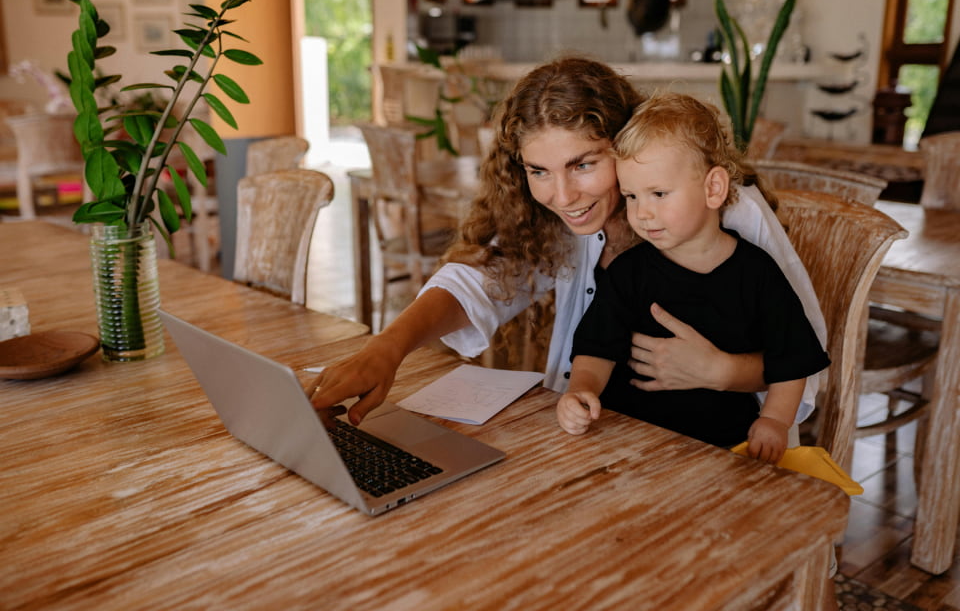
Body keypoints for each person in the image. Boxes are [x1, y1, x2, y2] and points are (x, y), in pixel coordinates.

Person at [309, 56, 826, 432]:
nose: (562, 196)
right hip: (600, 433)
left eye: (583, 164)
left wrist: (724, 372)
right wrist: (387, 349)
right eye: (539, 171)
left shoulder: (728, 211)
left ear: (625, 144)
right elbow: (479, 281)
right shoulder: (556, 218)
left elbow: (808, 366)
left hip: (715, 446)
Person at [555, 91, 830, 463]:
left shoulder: (758, 273)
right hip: (629, 441)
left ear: (713, 188)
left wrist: (774, 421)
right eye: (632, 196)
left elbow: (792, 359)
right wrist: (580, 391)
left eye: (658, 193)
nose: (642, 213)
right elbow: (595, 349)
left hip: (723, 446)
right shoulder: (627, 273)